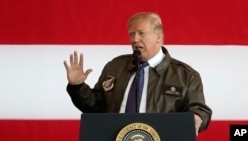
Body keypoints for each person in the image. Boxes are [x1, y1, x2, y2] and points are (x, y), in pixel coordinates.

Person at [63, 12, 212, 135]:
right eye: (131, 34)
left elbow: (198, 109)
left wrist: (197, 118)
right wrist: (77, 86)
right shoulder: (115, 67)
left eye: (141, 33)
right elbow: (96, 107)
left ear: (158, 37)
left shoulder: (185, 75)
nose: (135, 39)